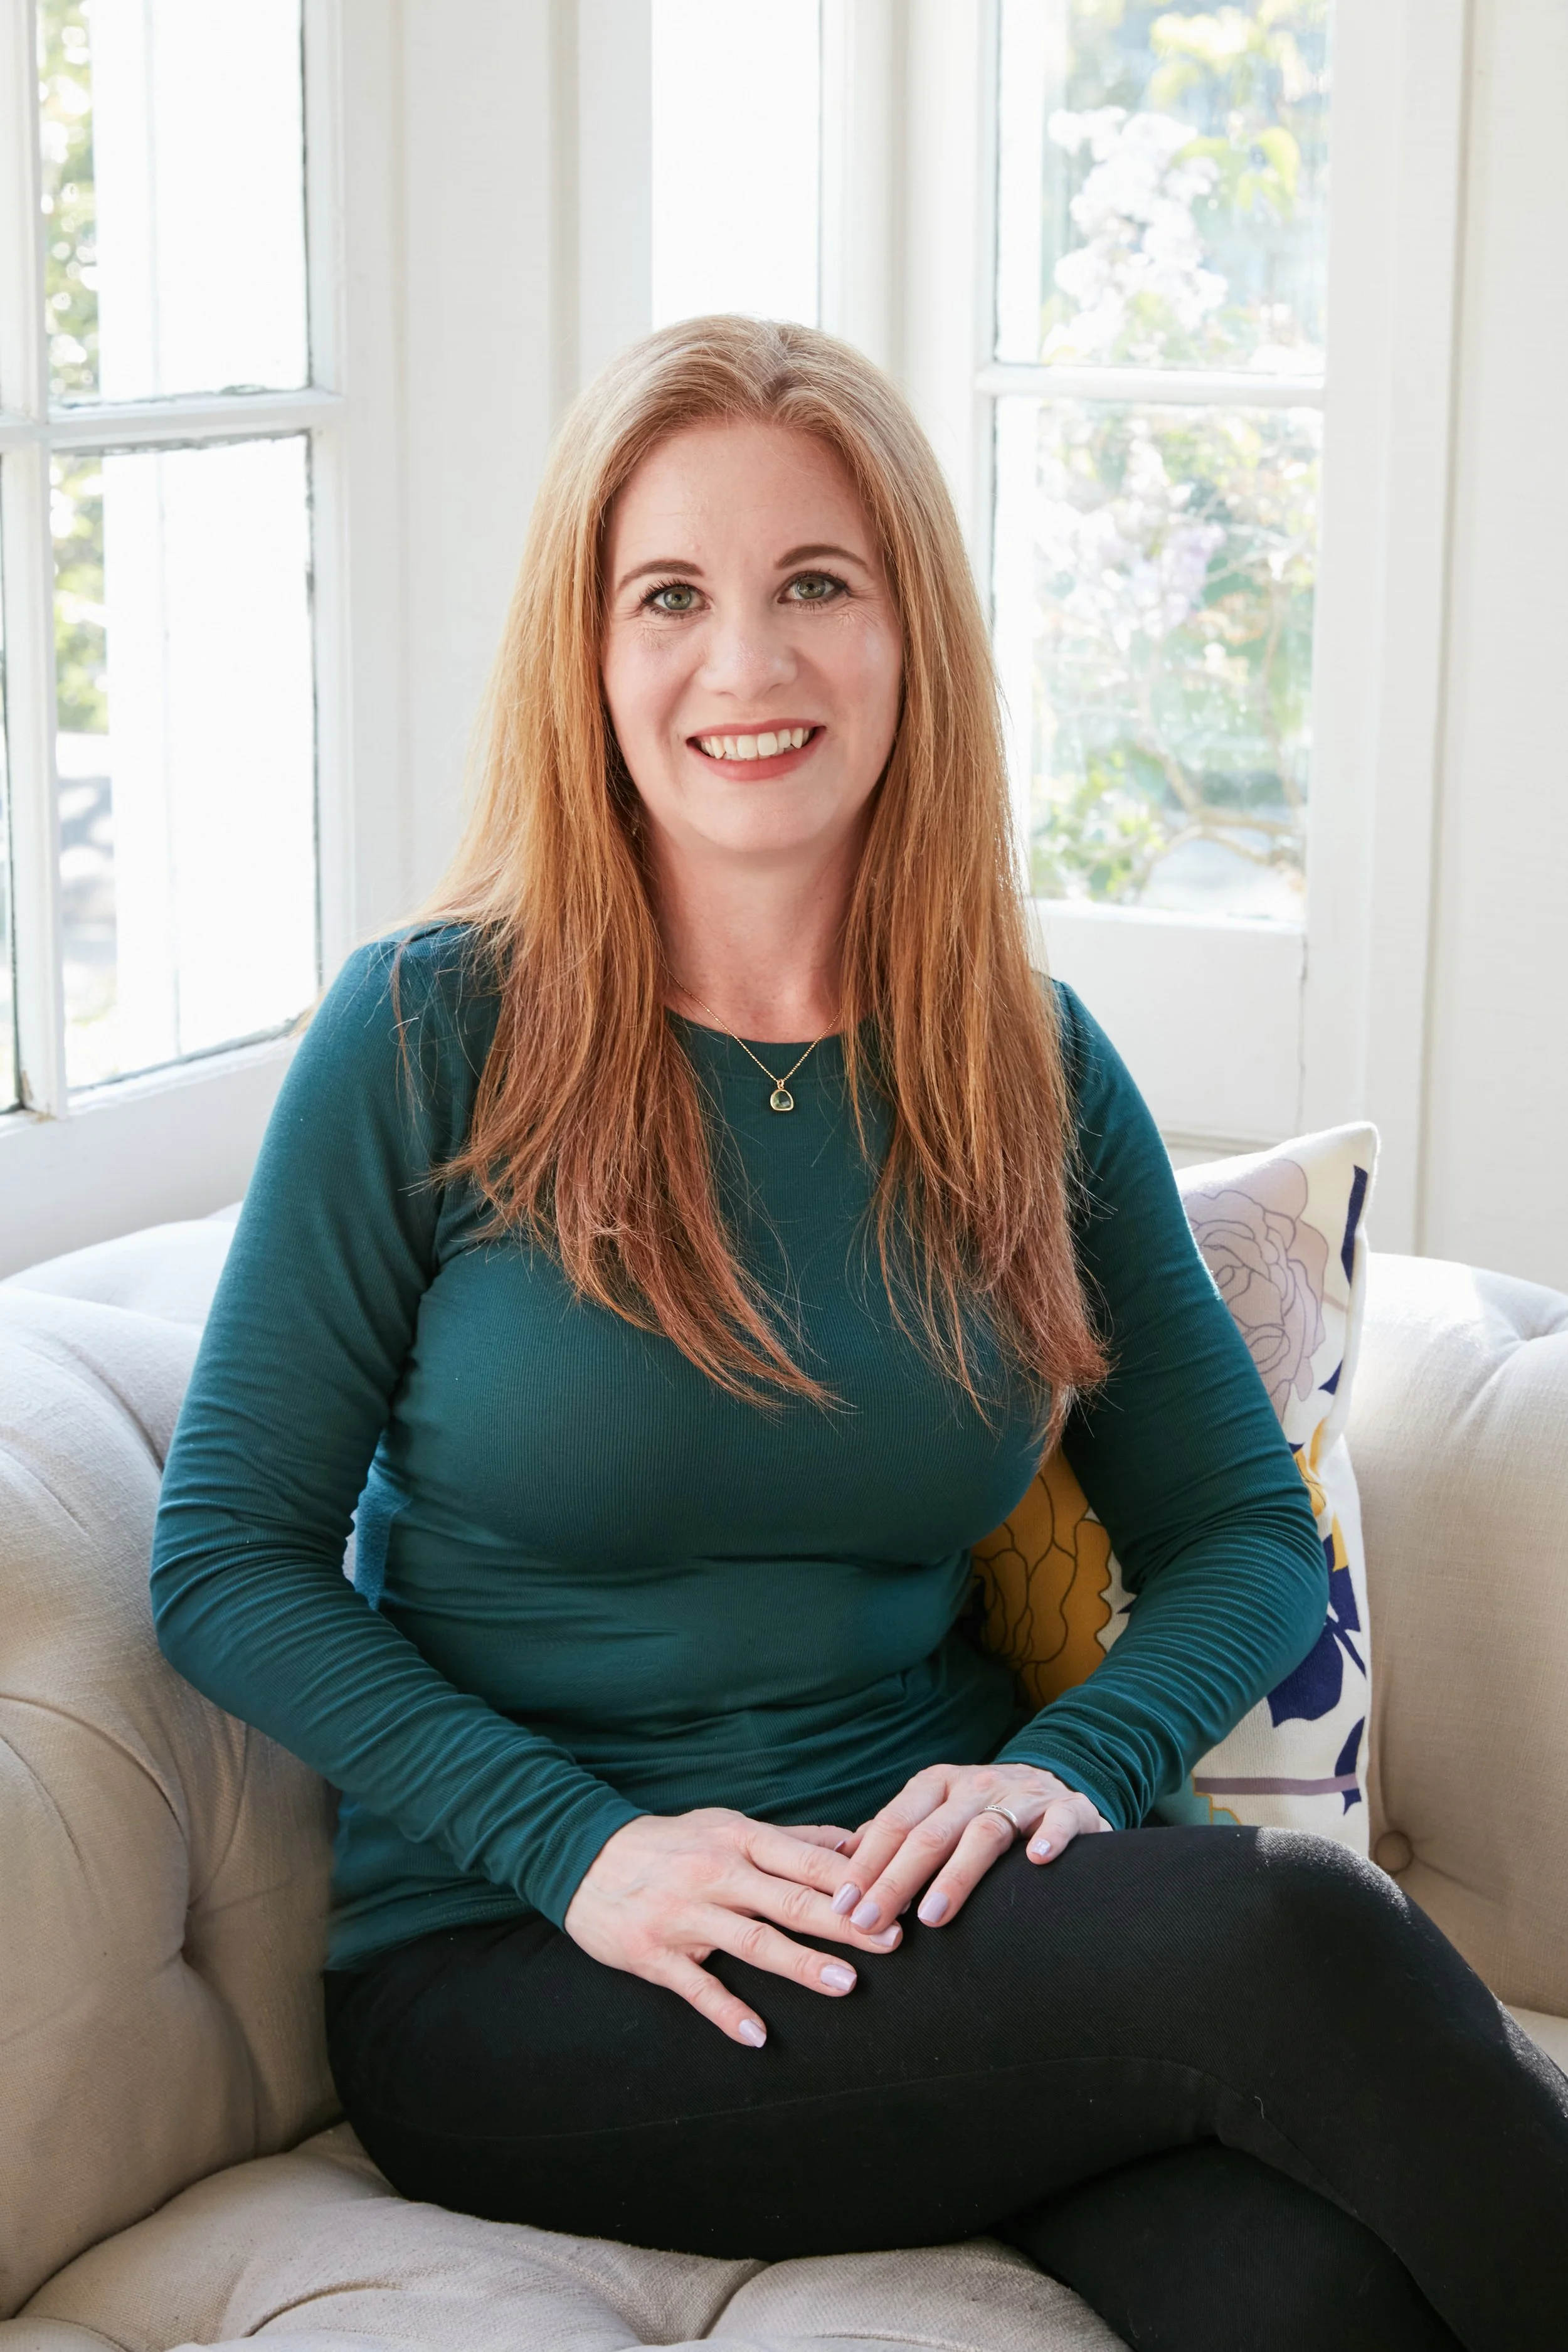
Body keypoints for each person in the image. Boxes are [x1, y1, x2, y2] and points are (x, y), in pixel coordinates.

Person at [151, 317, 1567, 2352]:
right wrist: (583, 1845)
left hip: (952, 1918)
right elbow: (225, 1556)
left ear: (910, 638)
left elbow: (1240, 1534)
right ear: (590, 654)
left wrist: (1067, 1767)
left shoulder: (1021, 1063)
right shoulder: (427, 1032)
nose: (745, 665)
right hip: (545, 1968)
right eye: (671, 597)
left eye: (814, 585)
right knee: (1293, 1939)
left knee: (1306, 2295)